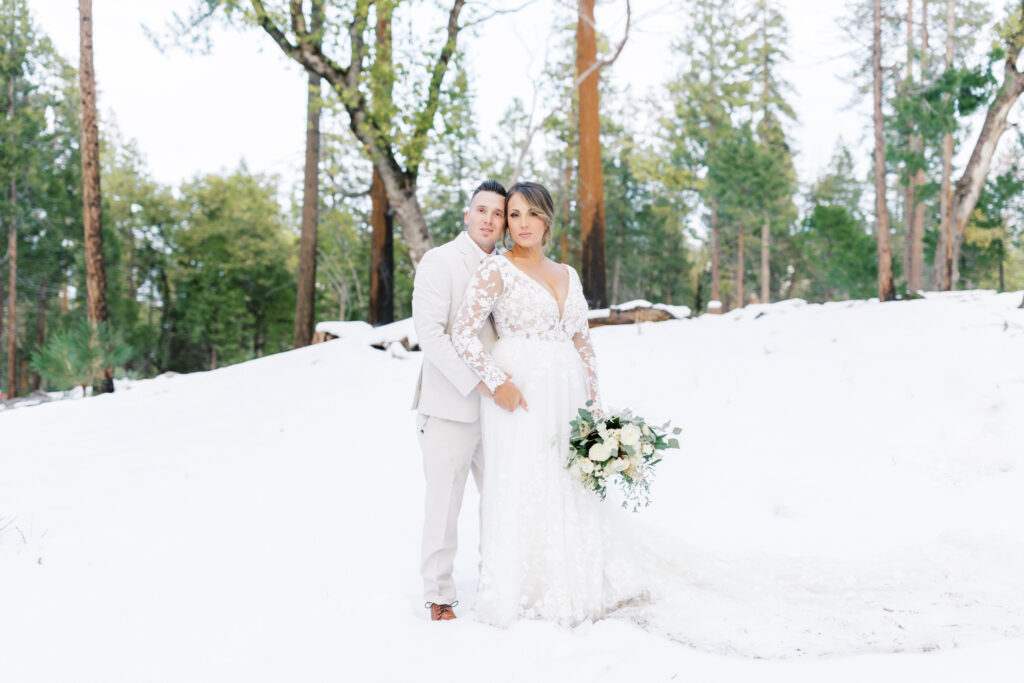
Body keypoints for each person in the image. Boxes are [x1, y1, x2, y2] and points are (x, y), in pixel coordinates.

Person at [452, 181, 639, 626]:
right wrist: (498, 383)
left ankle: (578, 576)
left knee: (567, 478)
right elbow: (462, 332)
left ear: (547, 219)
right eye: (513, 216)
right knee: (526, 479)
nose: (521, 225)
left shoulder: (568, 274)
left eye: (530, 214)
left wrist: (595, 407)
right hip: (521, 391)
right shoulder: (497, 269)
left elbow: (582, 340)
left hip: (567, 390)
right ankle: (529, 588)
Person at [411, 179, 507, 621]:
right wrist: (480, 382)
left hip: (500, 412)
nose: (489, 219)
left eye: (498, 213)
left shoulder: (508, 267)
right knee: (445, 503)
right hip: (450, 405)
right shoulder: (440, 261)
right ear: (467, 215)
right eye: (482, 210)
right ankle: (439, 594)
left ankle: (499, 579)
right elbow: (430, 334)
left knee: (503, 499)